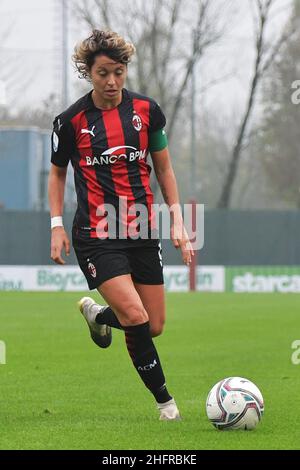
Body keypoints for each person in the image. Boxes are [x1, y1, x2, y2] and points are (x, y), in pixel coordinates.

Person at [48, 29, 194, 421]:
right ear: (89, 74)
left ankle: (97, 316)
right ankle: (167, 405)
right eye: (103, 74)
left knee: (155, 324)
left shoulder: (147, 111)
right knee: (134, 317)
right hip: (96, 235)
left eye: (119, 71)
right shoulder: (70, 121)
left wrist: (177, 221)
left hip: (142, 229)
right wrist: (56, 225)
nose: (112, 81)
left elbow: (164, 167)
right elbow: (58, 174)